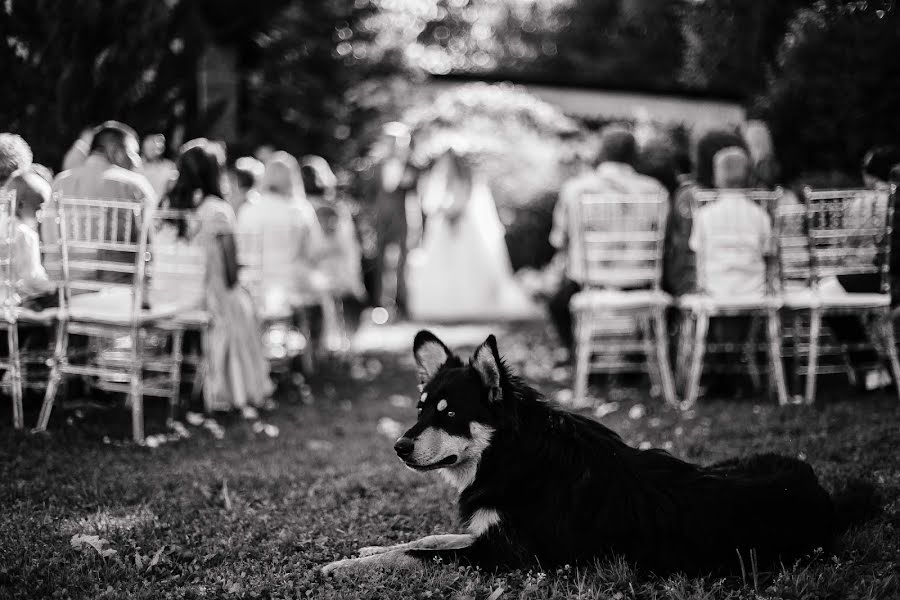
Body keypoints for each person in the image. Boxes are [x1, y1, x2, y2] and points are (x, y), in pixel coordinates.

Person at [150, 139, 273, 418]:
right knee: (242, 303)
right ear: (214, 173)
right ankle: (231, 386)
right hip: (203, 299)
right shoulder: (217, 210)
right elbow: (230, 275)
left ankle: (186, 377)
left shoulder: (164, 205)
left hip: (164, 295)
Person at [548, 125, 668, 355]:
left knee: (556, 303)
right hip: (641, 285)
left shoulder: (575, 189)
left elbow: (558, 240)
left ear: (601, 153)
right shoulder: (655, 190)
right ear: (634, 155)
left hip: (588, 285)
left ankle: (580, 355)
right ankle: (638, 356)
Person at [405, 148, 538, 322]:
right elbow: (436, 201)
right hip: (448, 226)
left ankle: (475, 304)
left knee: (469, 265)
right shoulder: (448, 179)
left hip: (465, 226)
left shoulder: (469, 179)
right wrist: (444, 211)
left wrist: (450, 212)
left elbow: (464, 201)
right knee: (448, 266)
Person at [823, 146, 900, 390]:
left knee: (825, 298)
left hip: (869, 276)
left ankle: (869, 365)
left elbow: (846, 244)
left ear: (868, 175)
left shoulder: (860, 203)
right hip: (890, 278)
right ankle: (879, 365)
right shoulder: (895, 198)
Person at [50, 121, 157, 283]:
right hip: (116, 290)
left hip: (64, 284)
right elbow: (147, 246)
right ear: (115, 149)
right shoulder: (135, 185)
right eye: (133, 152)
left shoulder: (59, 183)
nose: (137, 161)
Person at [663, 129, 747, 297]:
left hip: (694, 281)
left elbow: (678, 246)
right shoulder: (749, 202)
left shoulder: (689, 196)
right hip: (746, 283)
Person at [236, 151, 323, 311]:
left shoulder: (248, 210)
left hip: (256, 290)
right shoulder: (301, 210)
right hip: (292, 291)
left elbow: (240, 252)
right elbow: (315, 250)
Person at [302, 155, 366, 340]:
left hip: (313, 266)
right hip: (333, 266)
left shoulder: (302, 208)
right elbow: (347, 244)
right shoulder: (335, 208)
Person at [361, 122, 419, 318]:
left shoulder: (412, 165)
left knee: (404, 263)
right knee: (380, 264)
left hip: (404, 220)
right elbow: (370, 195)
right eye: (390, 141)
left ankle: (404, 306)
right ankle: (381, 305)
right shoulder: (375, 166)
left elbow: (416, 192)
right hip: (380, 222)